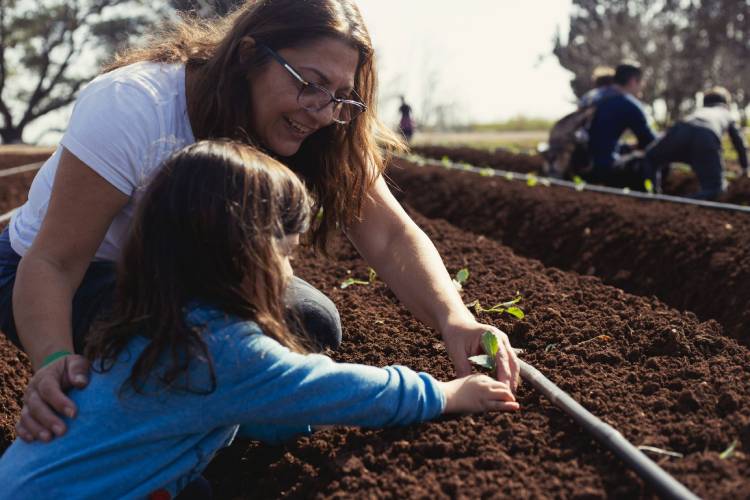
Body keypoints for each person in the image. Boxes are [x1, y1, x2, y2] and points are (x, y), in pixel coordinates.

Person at [0, 0, 519, 446]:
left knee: (308, 322)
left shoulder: (323, 127)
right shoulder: (136, 106)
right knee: (200, 354)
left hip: (181, 284)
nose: (321, 111)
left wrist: (456, 319)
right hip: (60, 278)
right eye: (310, 84)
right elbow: (52, 260)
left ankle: (217, 407)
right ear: (250, 55)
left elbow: (389, 233)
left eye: (340, 96)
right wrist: (51, 361)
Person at [0, 141, 519, 499]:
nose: (290, 270)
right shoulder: (224, 350)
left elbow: (243, 405)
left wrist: (291, 417)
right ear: (247, 255)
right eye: (287, 255)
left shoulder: (156, 321)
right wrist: (450, 394)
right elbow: (347, 389)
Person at [645, 86, 749, 199]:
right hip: (706, 135)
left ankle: (652, 194)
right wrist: (745, 168)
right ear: (726, 104)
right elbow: (738, 142)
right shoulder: (725, 113)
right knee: (715, 190)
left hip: (681, 129)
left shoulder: (699, 112)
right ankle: (680, 203)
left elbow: (651, 155)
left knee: (651, 157)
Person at [586, 61, 657, 189]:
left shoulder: (592, 96)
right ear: (632, 81)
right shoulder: (627, 103)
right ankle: (648, 201)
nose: (642, 87)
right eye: (640, 82)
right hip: (604, 168)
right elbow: (649, 141)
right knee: (649, 159)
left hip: (579, 163)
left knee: (626, 149)